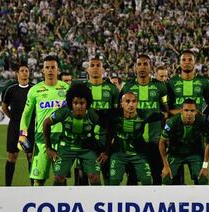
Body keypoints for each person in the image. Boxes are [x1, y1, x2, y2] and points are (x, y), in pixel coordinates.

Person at [43, 83, 108, 185]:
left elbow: (108, 128)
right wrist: (48, 148)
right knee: (59, 178)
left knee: (94, 177)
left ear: (87, 103)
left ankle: (95, 200)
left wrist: (105, 151)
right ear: (70, 103)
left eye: (82, 103)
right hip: (66, 147)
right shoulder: (64, 112)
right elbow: (46, 123)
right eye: (75, 103)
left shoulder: (92, 114)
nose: (78, 106)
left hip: (87, 148)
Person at [19, 55, 70, 186]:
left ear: (58, 70)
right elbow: (26, 114)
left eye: (53, 67)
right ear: (43, 70)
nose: (50, 70)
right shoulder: (34, 90)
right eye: (47, 67)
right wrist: (22, 133)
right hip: (41, 139)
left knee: (61, 178)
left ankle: (59, 205)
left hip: (62, 139)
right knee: (38, 179)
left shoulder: (66, 89)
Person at [120, 54, 169, 185]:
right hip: (133, 140)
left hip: (155, 139)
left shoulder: (160, 87)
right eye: (139, 64)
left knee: (156, 175)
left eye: (145, 64)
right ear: (135, 67)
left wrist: (165, 135)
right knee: (132, 177)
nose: (142, 67)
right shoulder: (127, 87)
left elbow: (166, 111)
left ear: (151, 67)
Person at [110, 92, 162, 185]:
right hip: (119, 154)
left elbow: (162, 116)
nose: (131, 104)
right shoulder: (114, 115)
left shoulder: (143, 114)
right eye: (127, 101)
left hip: (138, 155)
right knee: (114, 181)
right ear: (121, 103)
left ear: (137, 103)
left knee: (147, 181)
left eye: (134, 101)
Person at [159, 98, 209, 185]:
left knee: (202, 179)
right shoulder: (172, 122)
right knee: (167, 178)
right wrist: (165, 165)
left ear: (196, 112)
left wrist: (205, 166)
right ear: (181, 111)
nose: (189, 113)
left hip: (195, 153)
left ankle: (199, 198)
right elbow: (161, 142)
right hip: (175, 153)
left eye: (192, 110)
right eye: (186, 110)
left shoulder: (202, 121)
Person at [85, 56, 119, 185]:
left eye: (98, 65)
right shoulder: (82, 89)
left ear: (103, 69)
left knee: (108, 175)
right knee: (90, 176)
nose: (95, 68)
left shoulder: (112, 89)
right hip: (87, 140)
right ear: (87, 69)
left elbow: (116, 116)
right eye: (92, 65)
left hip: (107, 139)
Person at [1, 63, 34, 186]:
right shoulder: (10, 89)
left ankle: (34, 187)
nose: (25, 72)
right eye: (22, 70)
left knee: (30, 156)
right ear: (18, 73)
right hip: (15, 128)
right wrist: (13, 118)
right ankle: (7, 187)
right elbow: (4, 107)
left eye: (26, 70)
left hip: (30, 128)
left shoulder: (34, 88)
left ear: (29, 73)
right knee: (12, 156)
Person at [168, 50, 209, 115]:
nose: (187, 62)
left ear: (194, 62)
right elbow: (168, 108)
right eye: (183, 60)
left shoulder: (203, 81)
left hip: (197, 124)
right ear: (179, 63)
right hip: (178, 123)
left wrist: (203, 114)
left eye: (190, 60)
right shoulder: (172, 82)